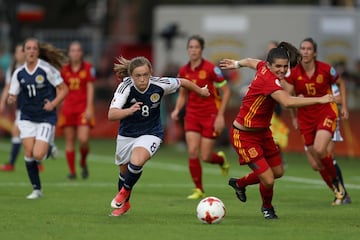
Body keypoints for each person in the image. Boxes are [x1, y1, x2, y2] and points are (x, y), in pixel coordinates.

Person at [219, 41, 335, 219]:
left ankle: (240, 183)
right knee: (268, 178)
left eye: (285, 66)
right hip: (244, 135)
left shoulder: (263, 68)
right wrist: (321, 99)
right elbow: (287, 102)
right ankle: (267, 208)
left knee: (278, 172)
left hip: (263, 133)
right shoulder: (269, 80)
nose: (282, 70)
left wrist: (236, 64)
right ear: (269, 65)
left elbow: (251, 61)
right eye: (278, 67)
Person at [108, 56, 210, 217]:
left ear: (151, 73)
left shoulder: (159, 84)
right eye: (138, 76)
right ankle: (125, 204)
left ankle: (124, 192)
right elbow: (111, 114)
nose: (142, 79)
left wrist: (201, 91)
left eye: (145, 75)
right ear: (131, 75)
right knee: (124, 172)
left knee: (137, 161)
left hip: (151, 132)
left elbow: (183, 81)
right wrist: (129, 110)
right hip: (127, 134)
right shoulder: (124, 87)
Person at [282, 37, 350, 205]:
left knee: (320, 150)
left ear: (315, 52)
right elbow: (287, 99)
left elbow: (341, 84)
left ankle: (339, 188)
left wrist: (345, 107)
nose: (305, 51)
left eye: (308, 49)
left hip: (325, 113)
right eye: (302, 48)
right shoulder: (294, 73)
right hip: (306, 119)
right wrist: (294, 117)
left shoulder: (326, 69)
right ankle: (338, 192)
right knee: (315, 164)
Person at [170, 35, 231, 200]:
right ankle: (199, 189)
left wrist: (220, 116)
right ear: (187, 50)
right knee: (192, 151)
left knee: (206, 156)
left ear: (201, 50)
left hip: (210, 114)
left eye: (196, 47)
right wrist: (177, 110)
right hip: (192, 115)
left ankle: (220, 160)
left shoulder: (211, 69)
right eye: (191, 47)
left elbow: (226, 92)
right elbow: (183, 94)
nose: (193, 50)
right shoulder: (184, 71)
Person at [7, 38, 68, 199]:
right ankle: (37, 189)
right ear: (24, 52)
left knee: (38, 155)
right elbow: (12, 94)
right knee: (28, 152)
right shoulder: (18, 72)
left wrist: (53, 104)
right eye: (28, 48)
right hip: (26, 116)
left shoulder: (46, 69)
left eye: (34, 48)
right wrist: (11, 98)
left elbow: (63, 89)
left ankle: (48, 148)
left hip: (45, 117)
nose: (31, 51)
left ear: (38, 52)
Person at [59, 41, 96, 179]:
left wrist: (89, 107)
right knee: (69, 140)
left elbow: (90, 87)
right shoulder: (63, 70)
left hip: (82, 108)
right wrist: (59, 102)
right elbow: (60, 88)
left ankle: (83, 161)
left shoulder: (88, 67)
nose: (75, 53)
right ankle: (72, 171)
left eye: (78, 50)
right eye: (73, 50)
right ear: (69, 53)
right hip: (68, 108)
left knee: (83, 139)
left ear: (81, 53)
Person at [0, 44, 26, 171]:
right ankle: (39, 160)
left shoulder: (34, 67)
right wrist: (3, 102)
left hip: (31, 107)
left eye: (20, 52)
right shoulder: (13, 69)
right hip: (20, 107)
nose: (18, 54)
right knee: (23, 134)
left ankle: (11, 164)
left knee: (17, 132)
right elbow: (8, 86)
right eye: (16, 52)